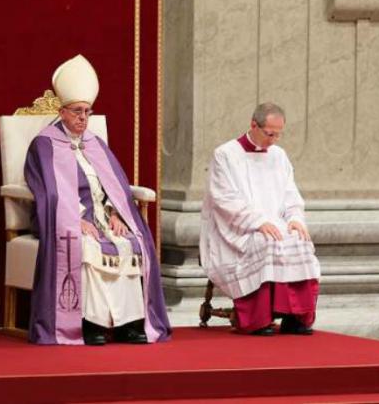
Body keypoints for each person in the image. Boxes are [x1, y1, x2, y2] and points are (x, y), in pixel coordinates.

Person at [25, 54, 171, 345]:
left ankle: (128, 324)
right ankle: (89, 324)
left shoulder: (95, 143)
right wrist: (75, 220)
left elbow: (113, 186)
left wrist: (117, 213)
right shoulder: (44, 144)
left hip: (102, 217)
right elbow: (47, 191)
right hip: (64, 218)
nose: (83, 118)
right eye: (77, 111)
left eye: (88, 112)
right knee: (87, 247)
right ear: (62, 111)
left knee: (130, 241)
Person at [199, 103, 320, 335]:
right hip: (237, 229)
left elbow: (290, 193)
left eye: (278, 134)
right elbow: (224, 199)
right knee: (266, 241)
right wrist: (256, 222)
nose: (274, 139)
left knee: (299, 239)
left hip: (273, 224)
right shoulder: (225, 154)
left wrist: (295, 218)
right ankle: (259, 319)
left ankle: (295, 318)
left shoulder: (279, 156)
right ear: (254, 125)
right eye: (269, 133)